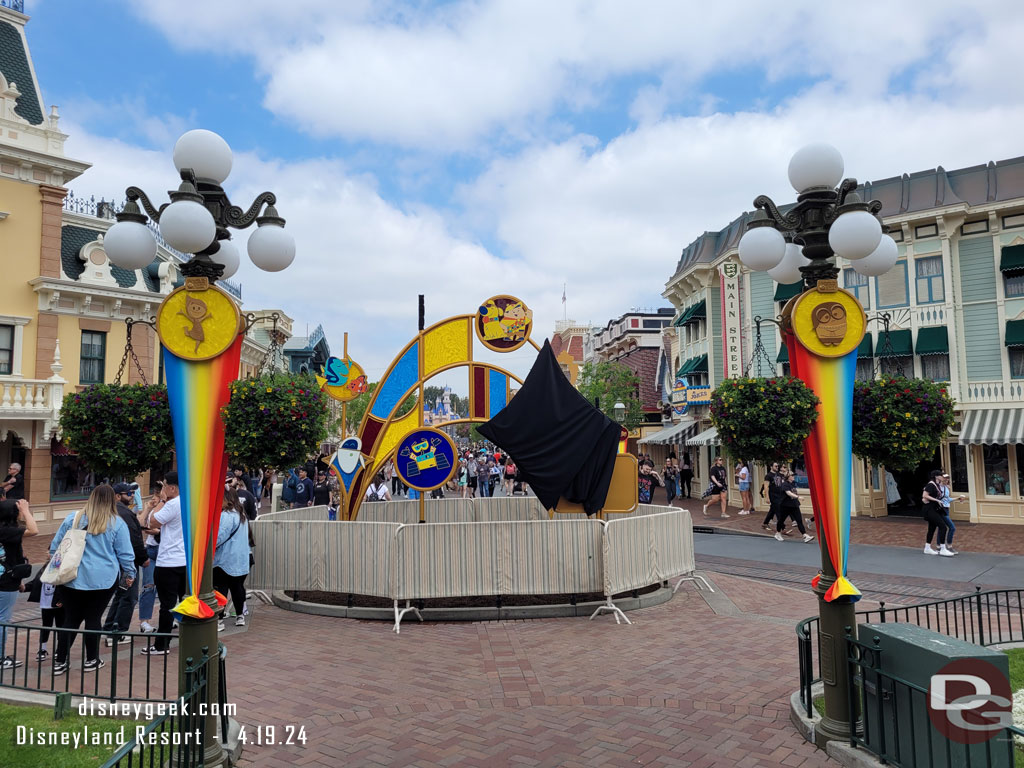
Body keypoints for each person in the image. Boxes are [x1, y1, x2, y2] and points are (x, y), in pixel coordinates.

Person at [49, 485, 136, 674]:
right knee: (93, 618)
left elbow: (55, 547)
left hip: (71, 577)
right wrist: (130, 574)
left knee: (70, 619)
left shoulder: (73, 518)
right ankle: (91, 659)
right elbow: (126, 554)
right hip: (103, 578)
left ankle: (60, 661)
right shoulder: (116, 523)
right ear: (111, 500)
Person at [141, 472, 186, 655]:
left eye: (164, 486)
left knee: (167, 604)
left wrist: (162, 501)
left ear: (172, 488)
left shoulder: (173, 504)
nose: (162, 490)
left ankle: (162, 644)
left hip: (169, 561)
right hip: (184, 560)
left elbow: (153, 521)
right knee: (184, 600)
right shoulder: (190, 502)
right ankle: (187, 636)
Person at [102, 483, 149, 646]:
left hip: (114, 561)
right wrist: (143, 558)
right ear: (117, 496)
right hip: (125, 562)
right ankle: (118, 632)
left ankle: (109, 628)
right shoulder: (124, 513)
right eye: (128, 493)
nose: (131, 496)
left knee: (121, 595)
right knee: (128, 596)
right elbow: (134, 540)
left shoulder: (112, 511)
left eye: (133, 493)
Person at [1, 498, 37, 668]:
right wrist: (26, 511)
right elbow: (34, 530)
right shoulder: (6, 531)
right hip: (4, 583)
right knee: (2, 620)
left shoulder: (6, 531)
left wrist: (19, 582)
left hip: (9, 580)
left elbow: (14, 557)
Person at [214, 489, 250, 631]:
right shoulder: (241, 514)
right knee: (237, 588)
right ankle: (240, 615)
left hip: (224, 560)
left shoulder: (227, 516)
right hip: (240, 559)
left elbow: (219, 537)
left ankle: (220, 620)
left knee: (220, 589)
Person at [135, 482, 162, 634]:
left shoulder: (170, 507)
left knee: (166, 587)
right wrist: (147, 508)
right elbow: (139, 524)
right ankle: (144, 621)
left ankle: (171, 616)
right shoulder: (153, 507)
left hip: (164, 551)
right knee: (148, 586)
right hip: (151, 550)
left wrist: (158, 532)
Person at [773, 471, 814, 542]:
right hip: (785, 506)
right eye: (792, 475)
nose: (793, 476)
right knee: (781, 520)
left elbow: (792, 492)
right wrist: (798, 497)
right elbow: (788, 493)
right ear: (788, 477)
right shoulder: (785, 484)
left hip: (794, 505)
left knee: (799, 520)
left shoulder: (792, 484)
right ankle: (778, 533)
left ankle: (805, 535)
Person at [922, 470, 954, 556]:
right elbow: (925, 495)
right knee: (943, 527)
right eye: (940, 475)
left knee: (932, 528)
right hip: (929, 509)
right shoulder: (931, 484)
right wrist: (936, 500)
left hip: (934, 508)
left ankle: (927, 547)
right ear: (936, 476)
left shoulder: (936, 485)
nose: (942, 476)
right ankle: (942, 548)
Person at [939, 473, 965, 554]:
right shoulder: (938, 488)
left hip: (946, 508)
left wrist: (957, 498)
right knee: (952, 527)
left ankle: (939, 546)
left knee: (941, 527)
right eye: (945, 478)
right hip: (941, 509)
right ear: (940, 479)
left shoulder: (946, 488)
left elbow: (947, 499)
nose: (946, 480)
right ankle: (949, 546)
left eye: (947, 479)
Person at [761, 462, 782, 531]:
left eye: (777, 466)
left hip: (779, 494)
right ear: (771, 467)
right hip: (773, 495)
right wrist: (767, 497)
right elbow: (766, 487)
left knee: (772, 510)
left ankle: (765, 523)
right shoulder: (768, 476)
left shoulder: (778, 474)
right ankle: (782, 528)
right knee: (778, 511)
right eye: (775, 466)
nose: (777, 467)